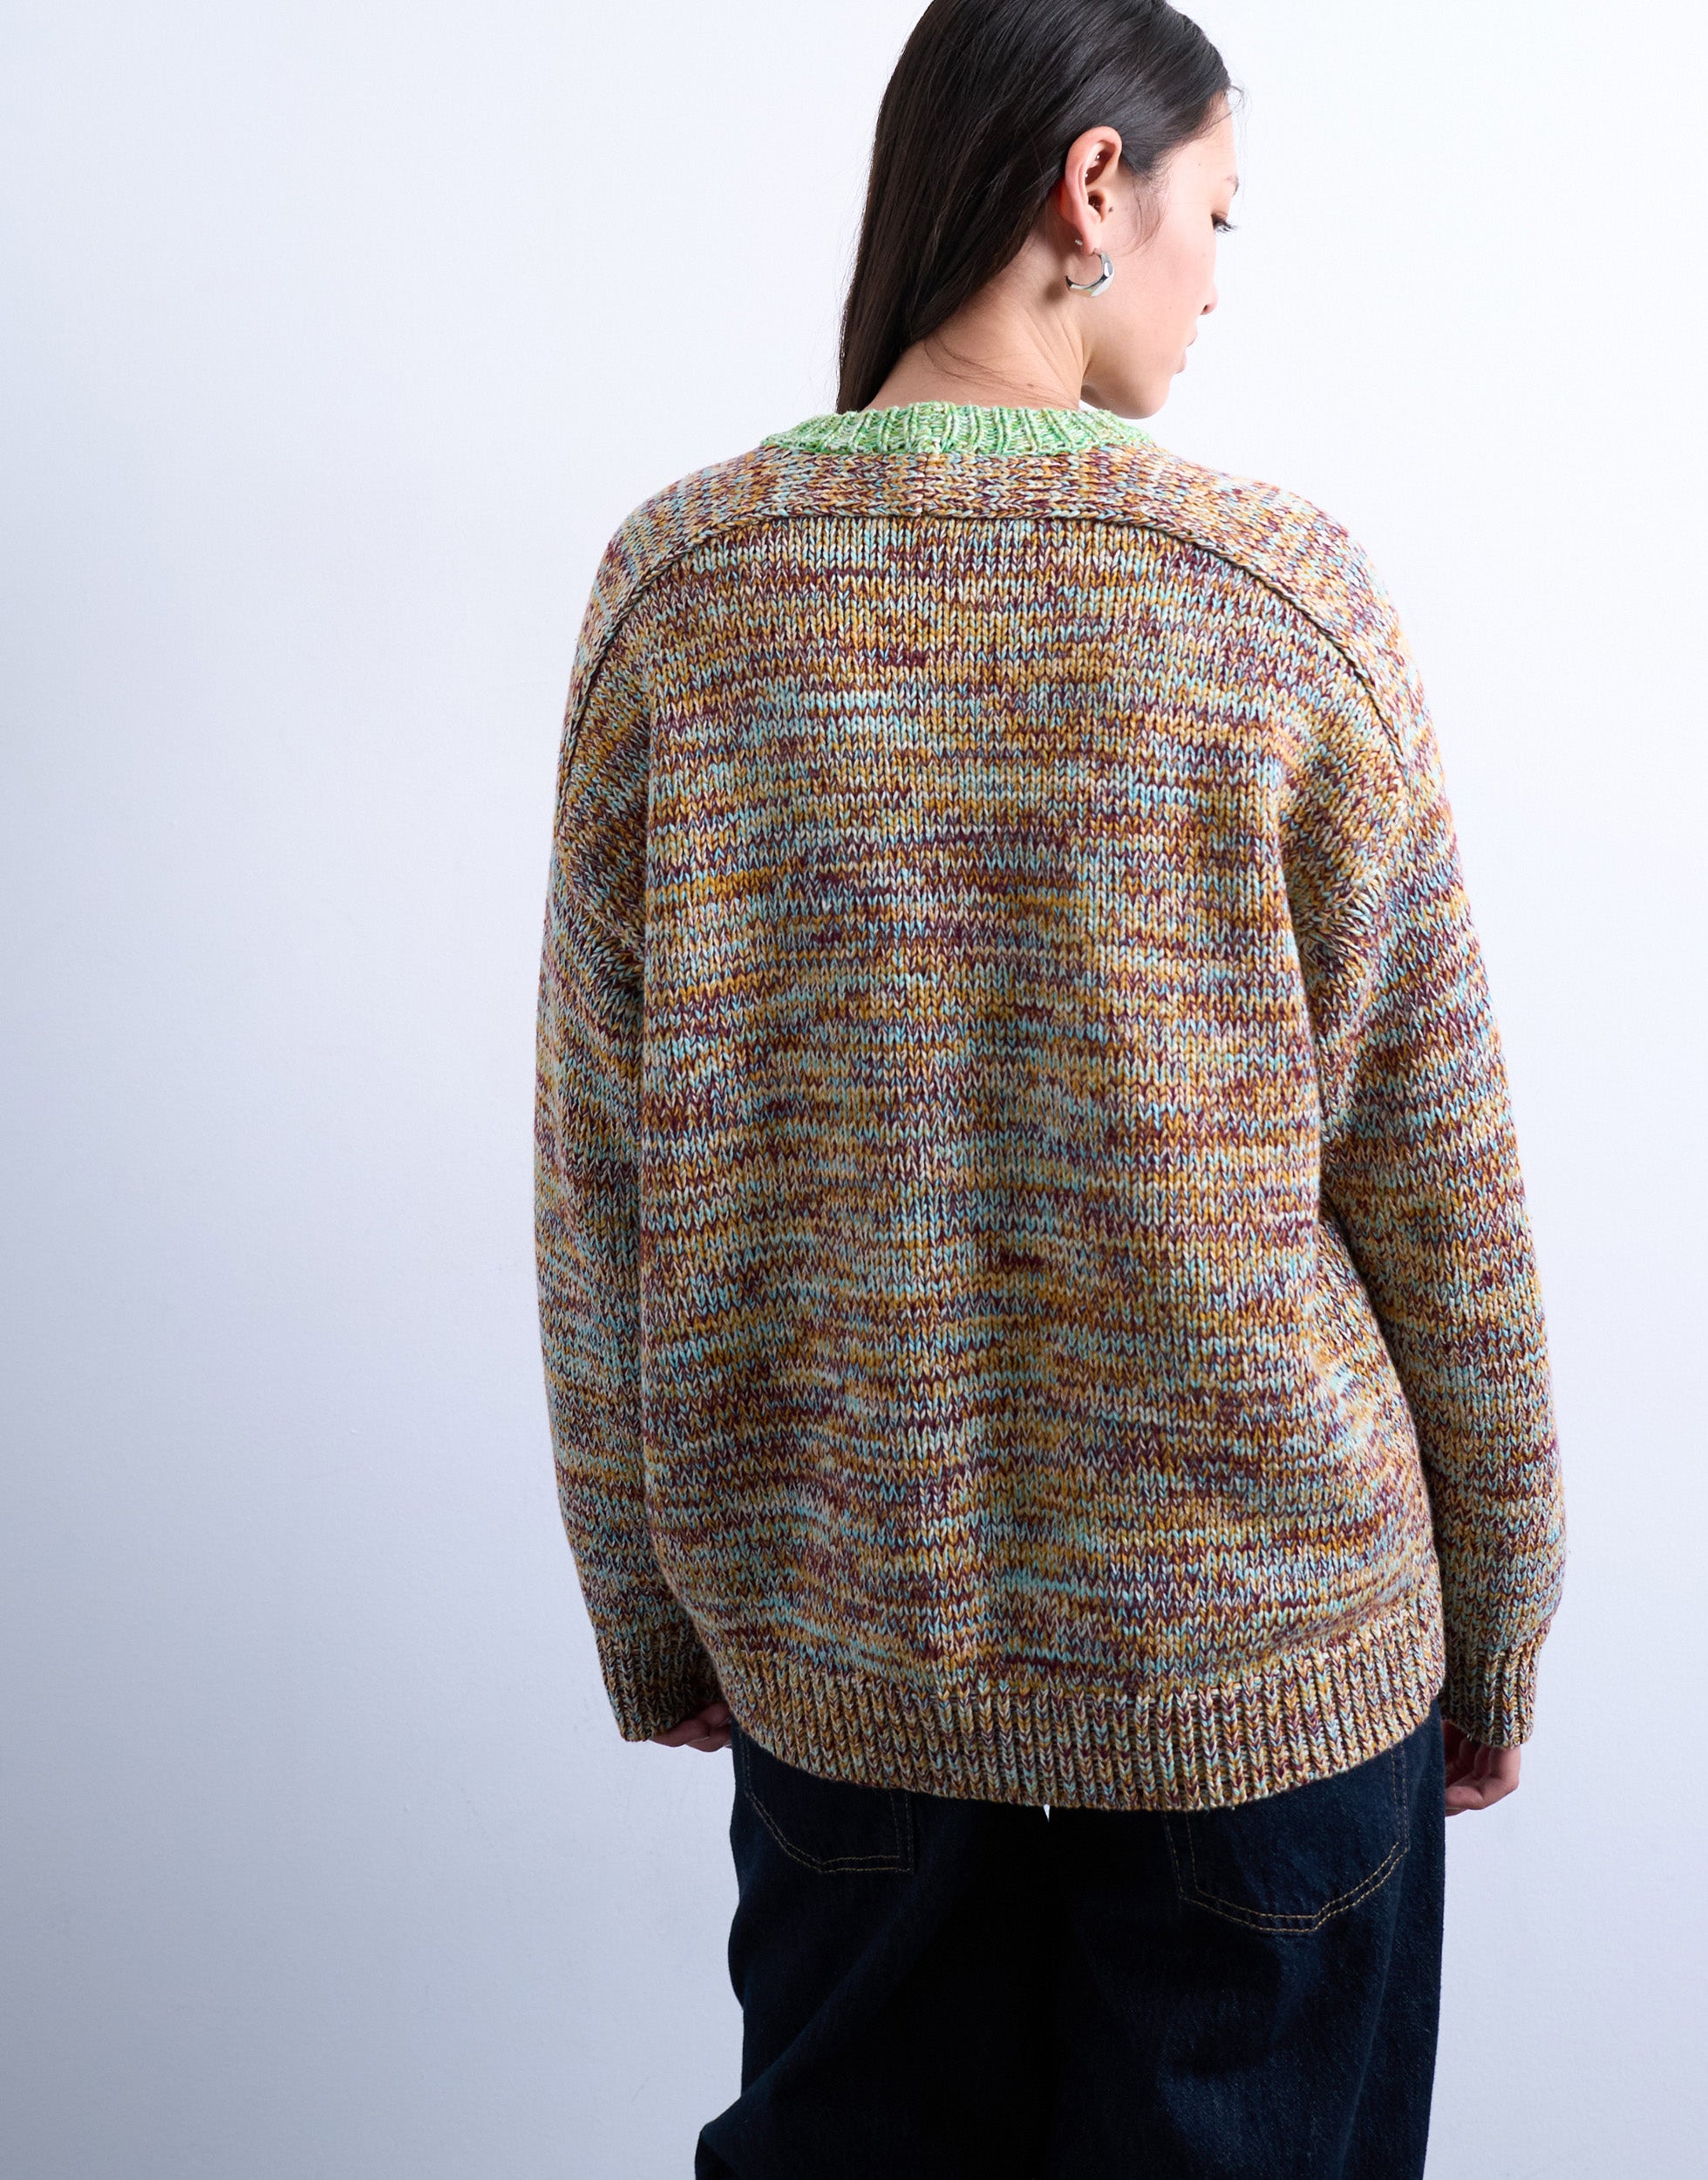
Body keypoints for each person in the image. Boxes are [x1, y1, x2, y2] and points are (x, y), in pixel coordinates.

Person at [533, 2, 1567, 2172]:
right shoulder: (1274, 599)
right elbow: (1435, 1177)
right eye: (1214, 215)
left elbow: (602, 1166)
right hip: (1261, 1686)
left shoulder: (677, 597)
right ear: (1091, 188)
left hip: (847, 1668)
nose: (1215, 279)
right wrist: (1496, 1614)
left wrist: (646, 1600)